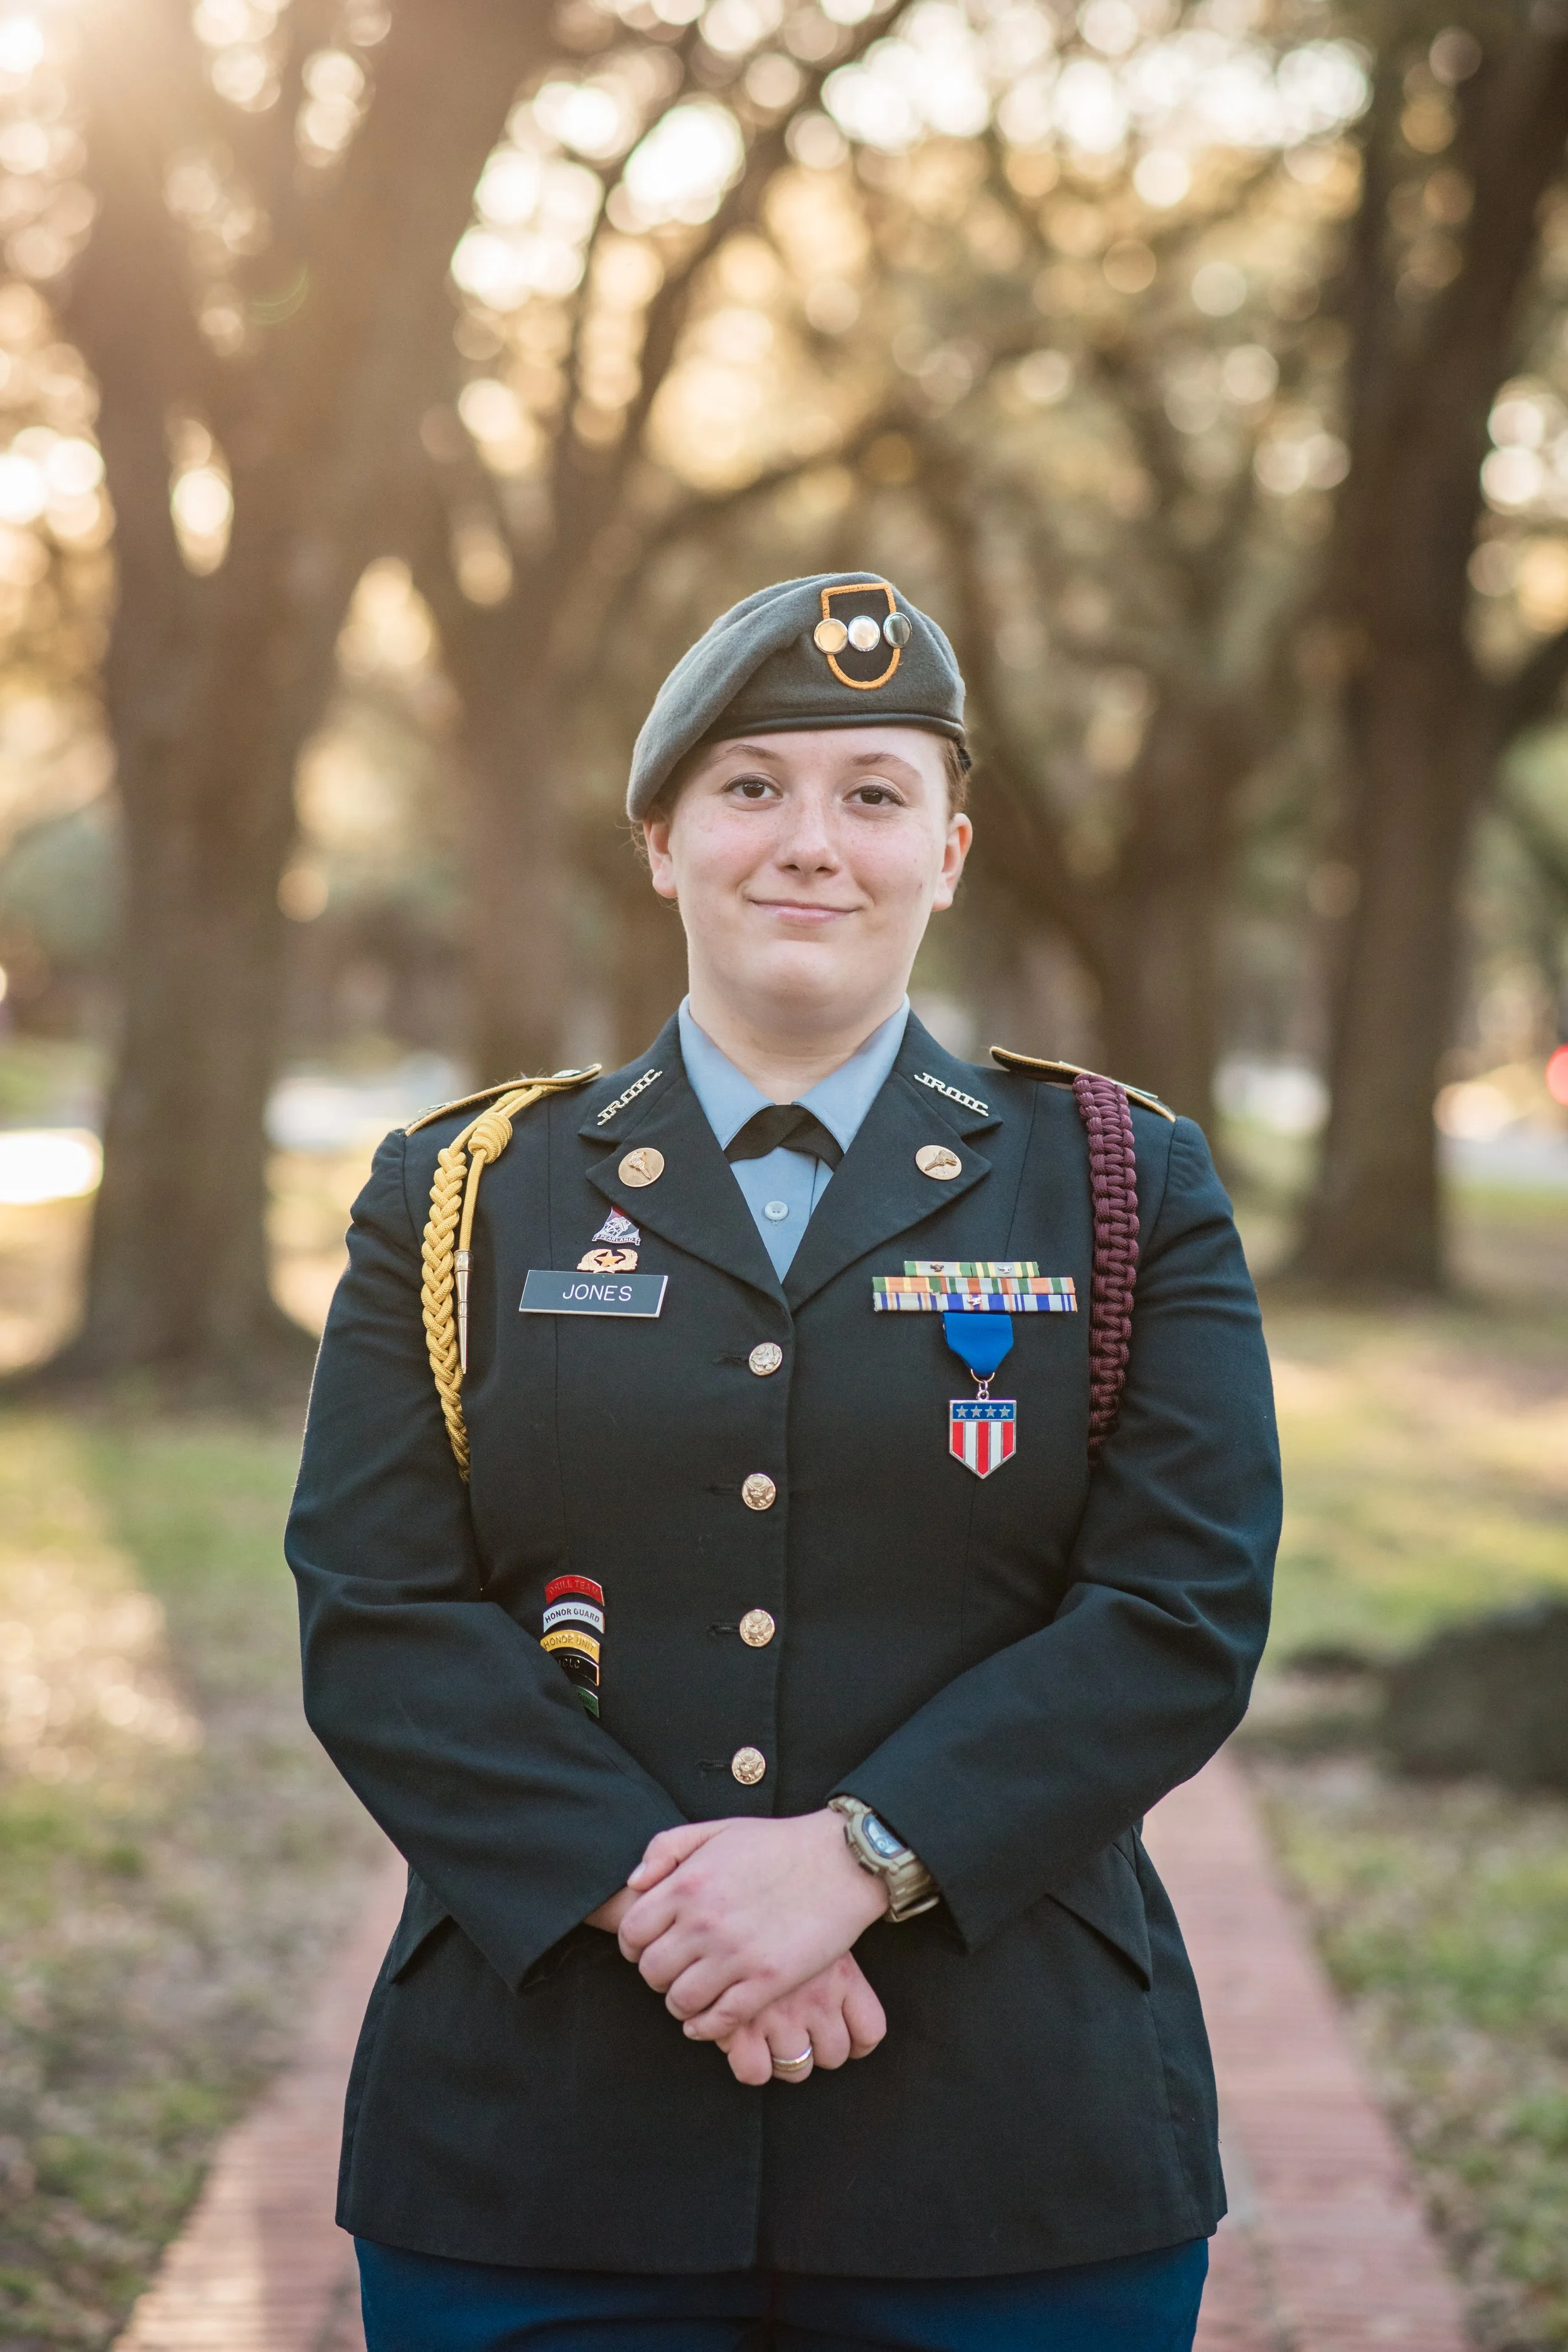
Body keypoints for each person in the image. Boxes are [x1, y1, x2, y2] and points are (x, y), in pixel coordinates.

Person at [286, 571, 1281, 2352]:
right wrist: (658, 1898)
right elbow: (376, 1613)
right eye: (749, 787)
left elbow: (1178, 1608)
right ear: (661, 841)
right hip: (540, 2140)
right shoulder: (461, 1194)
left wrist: (851, 1863)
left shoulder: (1123, 1184)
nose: (808, 842)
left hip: (1004, 2146)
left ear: (949, 851)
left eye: (872, 794)